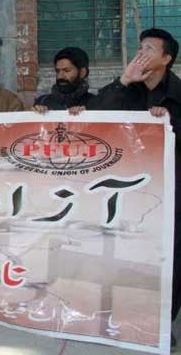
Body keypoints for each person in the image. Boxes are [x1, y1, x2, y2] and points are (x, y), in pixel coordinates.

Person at [92, 28, 181, 348]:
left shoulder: (177, 94)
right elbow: (96, 118)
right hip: (131, 190)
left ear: (167, 59)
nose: (140, 53)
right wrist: (123, 81)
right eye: (139, 47)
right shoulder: (129, 90)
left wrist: (167, 123)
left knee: (169, 260)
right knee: (129, 253)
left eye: (149, 49)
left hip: (171, 194)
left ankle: (161, 324)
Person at [33, 47, 96, 115]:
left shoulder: (95, 104)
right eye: (57, 71)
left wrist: (84, 114)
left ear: (82, 73)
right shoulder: (42, 101)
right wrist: (36, 113)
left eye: (66, 71)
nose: (60, 76)